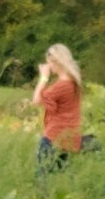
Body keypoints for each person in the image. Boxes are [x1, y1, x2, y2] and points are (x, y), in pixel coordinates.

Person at [32, 43, 82, 176]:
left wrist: (43, 77)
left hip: (53, 137)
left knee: (44, 180)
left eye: (49, 63)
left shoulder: (61, 86)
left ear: (56, 62)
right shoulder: (74, 83)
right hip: (70, 140)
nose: (49, 66)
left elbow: (36, 100)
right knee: (61, 179)